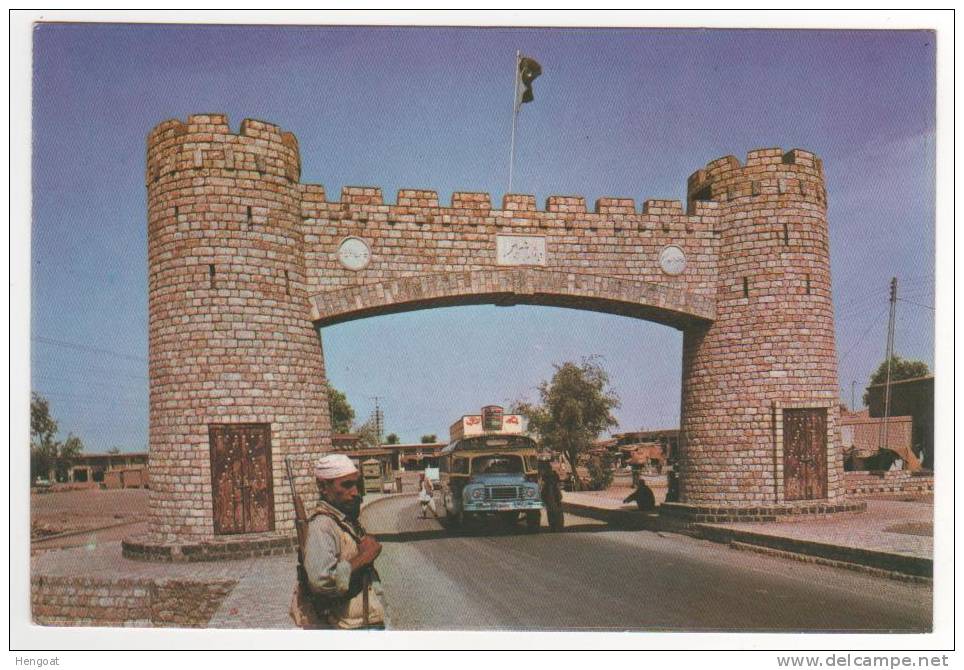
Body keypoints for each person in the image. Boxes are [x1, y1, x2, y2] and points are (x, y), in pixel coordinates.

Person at [290, 454, 386, 630]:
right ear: (323, 487)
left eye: (356, 484)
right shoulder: (322, 525)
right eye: (346, 485)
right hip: (346, 627)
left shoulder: (342, 519)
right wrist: (365, 557)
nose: (355, 492)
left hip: (361, 623)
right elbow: (321, 580)